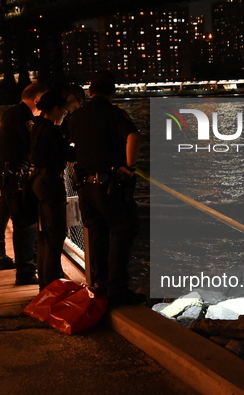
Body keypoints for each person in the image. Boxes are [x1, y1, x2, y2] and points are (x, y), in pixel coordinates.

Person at [69, 71, 145, 306]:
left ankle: (99, 284)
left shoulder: (76, 116)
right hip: (109, 185)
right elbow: (133, 136)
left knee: (98, 234)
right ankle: (117, 289)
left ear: (90, 91)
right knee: (123, 231)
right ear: (112, 91)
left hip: (84, 186)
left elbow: (70, 144)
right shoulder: (114, 114)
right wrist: (130, 167)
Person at [0, 82, 49, 285]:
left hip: (5, 172)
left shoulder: (10, 112)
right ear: (37, 100)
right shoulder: (24, 117)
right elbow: (34, 142)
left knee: (4, 210)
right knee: (24, 223)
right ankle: (26, 270)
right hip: (18, 176)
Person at [30, 86, 84, 290]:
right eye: (62, 110)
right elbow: (68, 155)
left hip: (38, 181)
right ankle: (52, 283)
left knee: (45, 234)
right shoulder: (51, 130)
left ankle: (46, 280)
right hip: (50, 183)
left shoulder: (38, 126)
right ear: (53, 109)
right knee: (55, 234)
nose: (64, 113)